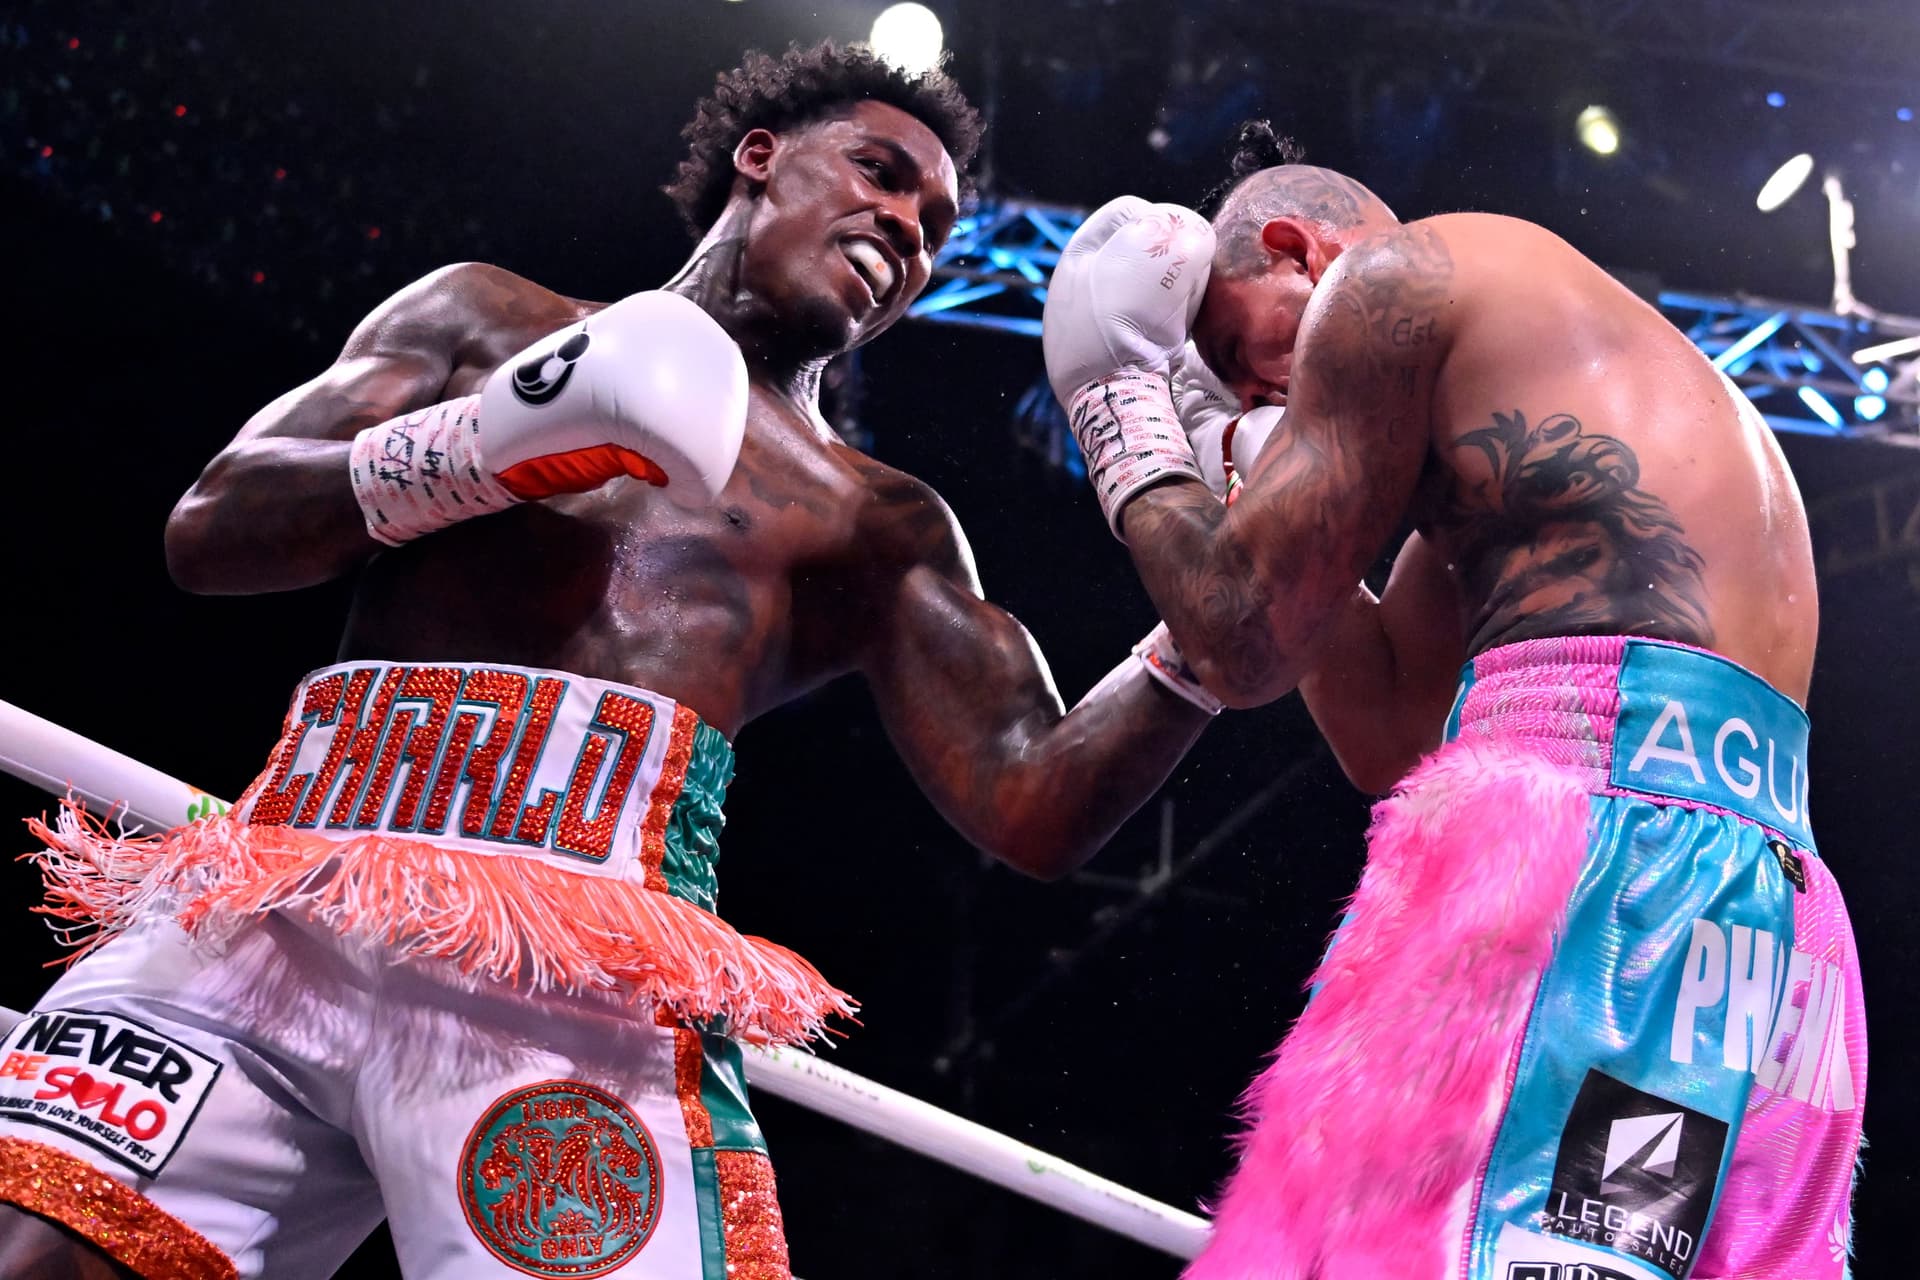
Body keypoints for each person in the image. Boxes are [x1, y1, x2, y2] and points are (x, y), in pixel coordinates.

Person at [0, 44, 1219, 1280]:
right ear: (761, 158)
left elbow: (1033, 801)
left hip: (572, 978)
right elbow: (211, 531)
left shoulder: (877, 516)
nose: (908, 226)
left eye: (935, 225)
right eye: (881, 171)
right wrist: (489, 441)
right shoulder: (482, 316)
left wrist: (1219, 626)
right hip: (279, 903)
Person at [1042, 122, 1864, 1280]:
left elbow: (1240, 642)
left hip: (1599, 869)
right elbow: (1385, 735)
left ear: (1298, 253)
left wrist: (1122, 409)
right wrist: (1248, 448)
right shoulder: (1558, 377)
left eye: (1240, 350)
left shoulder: (1395, 279)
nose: (1262, 391)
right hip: (1766, 930)